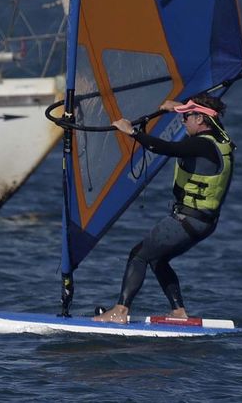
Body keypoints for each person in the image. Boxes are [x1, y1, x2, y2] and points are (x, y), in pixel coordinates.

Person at [92, 93, 234, 324]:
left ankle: (120, 311)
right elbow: (206, 114)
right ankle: (178, 312)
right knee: (157, 258)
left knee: (139, 255)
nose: (183, 121)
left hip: (187, 220)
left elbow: (164, 147)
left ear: (200, 119)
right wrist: (177, 107)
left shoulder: (200, 144)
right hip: (205, 222)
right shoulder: (221, 138)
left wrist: (132, 132)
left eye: (186, 116)